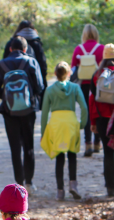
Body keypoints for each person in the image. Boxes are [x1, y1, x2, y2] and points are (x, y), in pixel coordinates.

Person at [0, 36, 44, 195]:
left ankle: (19, 185)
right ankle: (29, 183)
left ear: (10, 49)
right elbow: (40, 87)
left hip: (9, 112)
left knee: (15, 148)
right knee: (28, 147)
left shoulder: (2, 64)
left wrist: (9, 99)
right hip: (28, 111)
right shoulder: (31, 62)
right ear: (25, 49)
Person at [41, 61, 87, 200]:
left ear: (55, 74)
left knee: (59, 157)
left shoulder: (49, 90)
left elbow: (44, 113)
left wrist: (44, 132)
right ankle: (73, 185)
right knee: (72, 155)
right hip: (71, 123)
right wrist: (81, 124)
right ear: (69, 73)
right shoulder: (75, 88)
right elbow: (84, 108)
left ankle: (60, 190)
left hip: (56, 125)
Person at [71, 24, 105, 156]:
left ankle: (87, 144)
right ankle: (97, 142)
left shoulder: (78, 49)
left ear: (84, 35)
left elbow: (73, 68)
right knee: (97, 111)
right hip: (98, 84)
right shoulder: (101, 48)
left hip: (84, 84)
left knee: (86, 112)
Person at [3, 20, 47, 108]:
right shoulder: (36, 43)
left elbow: (4, 63)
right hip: (30, 85)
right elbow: (43, 66)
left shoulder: (11, 43)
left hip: (11, 85)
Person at [89, 43, 114, 196]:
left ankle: (110, 188)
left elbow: (93, 99)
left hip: (102, 118)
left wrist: (93, 122)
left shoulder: (97, 75)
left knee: (108, 153)